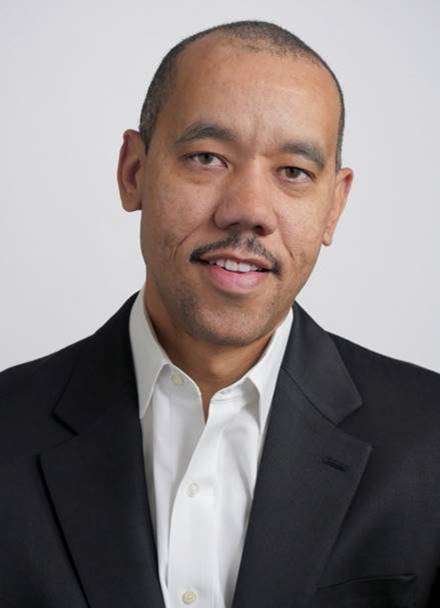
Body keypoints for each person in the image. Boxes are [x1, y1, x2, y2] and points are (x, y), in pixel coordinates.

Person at [1, 19, 439, 608]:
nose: (249, 210)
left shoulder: (429, 441)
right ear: (133, 173)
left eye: (294, 172)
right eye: (207, 158)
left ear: (334, 206)